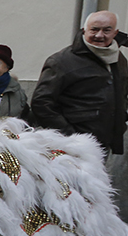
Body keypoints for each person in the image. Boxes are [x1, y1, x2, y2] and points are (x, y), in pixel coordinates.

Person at [31, 10, 128, 155]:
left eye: (106, 30)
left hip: (103, 142)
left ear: (115, 33)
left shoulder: (118, 58)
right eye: (94, 29)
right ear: (84, 30)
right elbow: (41, 103)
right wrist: (71, 137)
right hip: (71, 145)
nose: (99, 35)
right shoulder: (61, 61)